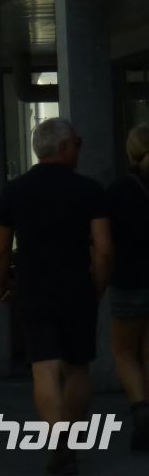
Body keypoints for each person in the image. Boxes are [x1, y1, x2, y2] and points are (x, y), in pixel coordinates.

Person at [0, 118, 112, 476]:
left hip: (33, 287)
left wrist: (0, 283)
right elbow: (104, 249)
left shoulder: (14, 191)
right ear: (63, 148)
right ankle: (71, 442)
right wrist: (98, 288)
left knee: (43, 368)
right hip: (77, 287)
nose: (79, 148)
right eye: (78, 142)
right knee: (77, 367)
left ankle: (56, 441)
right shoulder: (90, 190)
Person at [106, 123, 149, 450]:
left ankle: (140, 407)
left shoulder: (119, 189)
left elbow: (104, 243)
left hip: (129, 280)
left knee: (124, 351)